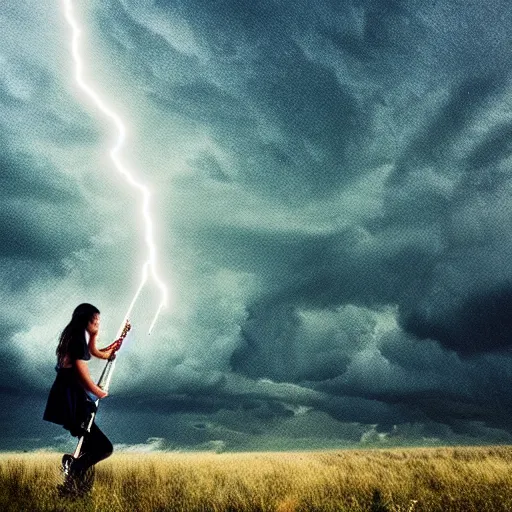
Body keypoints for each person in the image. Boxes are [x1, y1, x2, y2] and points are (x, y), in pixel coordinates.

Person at [43, 303, 120, 498]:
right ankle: (73, 466)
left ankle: (73, 491)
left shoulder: (77, 339)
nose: (98, 324)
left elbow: (95, 352)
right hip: (71, 400)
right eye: (95, 321)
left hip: (70, 398)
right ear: (84, 321)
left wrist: (106, 348)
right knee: (104, 448)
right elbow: (81, 373)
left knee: (88, 447)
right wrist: (98, 392)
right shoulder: (76, 341)